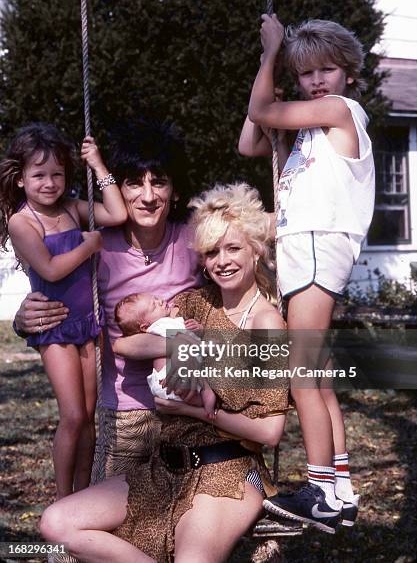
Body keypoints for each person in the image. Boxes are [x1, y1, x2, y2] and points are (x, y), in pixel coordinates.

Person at [39, 182, 289, 562]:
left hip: (227, 471)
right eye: (211, 252)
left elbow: (270, 431)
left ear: (255, 250)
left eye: (233, 248)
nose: (221, 260)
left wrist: (190, 410)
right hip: (166, 469)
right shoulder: (194, 302)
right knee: (57, 524)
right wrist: (182, 343)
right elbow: (125, 344)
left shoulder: (267, 324)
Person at [239, 16, 375, 532]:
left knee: (301, 373)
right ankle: (338, 489)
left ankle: (319, 492)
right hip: (306, 250)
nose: (317, 80)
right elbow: (249, 141)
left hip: (319, 246)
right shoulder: (310, 135)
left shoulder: (341, 111)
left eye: (327, 69)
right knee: (316, 374)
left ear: (349, 74)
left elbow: (261, 109)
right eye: (306, 73)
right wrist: (270, 69)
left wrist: (272, 50)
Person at [13, 119, 203, 478]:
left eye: (159, 181)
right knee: (117, 516)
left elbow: (249, 246)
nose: (147, 197)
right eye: (134, 183)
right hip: (124, 416)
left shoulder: (195, 240)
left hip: (189, 409)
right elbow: (55, 287)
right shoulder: (94, 246)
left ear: (175, 190)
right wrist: (23, 319)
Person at [0, 123, 127, 499]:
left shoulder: (72, 207)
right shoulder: (22, 222)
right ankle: (61, 499)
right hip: (54, 326)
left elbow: (118, 214)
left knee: (88, 417)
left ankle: (83, 495)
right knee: (72, 416)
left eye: (57, 174)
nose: (49, 183)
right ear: (21, 179)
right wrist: (90, 246)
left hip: (87, 322)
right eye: (38, 175)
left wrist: (99, 166)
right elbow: (51, 269)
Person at [114, 291, 216, 417]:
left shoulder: (169, 321)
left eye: (156, 298)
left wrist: (198, 328)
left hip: (177, 376)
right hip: (168, 378)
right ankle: (205, 407)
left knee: (198, 389)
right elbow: (189, 342)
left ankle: (203, 406)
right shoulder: (158, 327)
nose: (160, 301)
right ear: (145, 327)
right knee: (197, 390)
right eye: (154, 306)